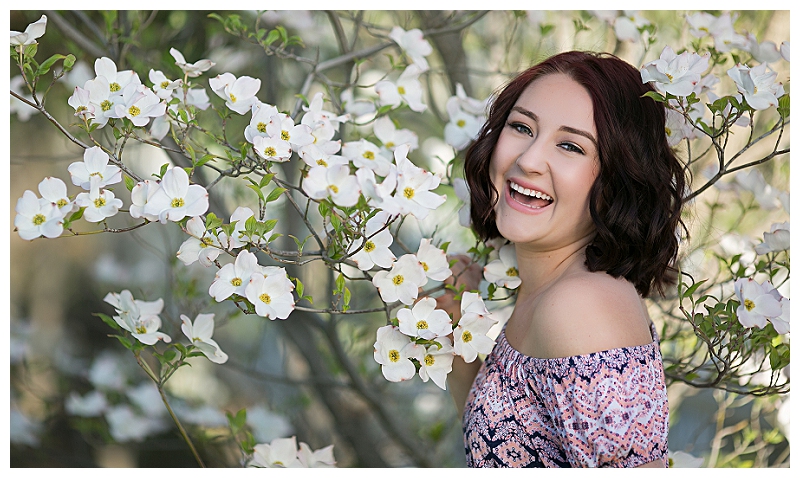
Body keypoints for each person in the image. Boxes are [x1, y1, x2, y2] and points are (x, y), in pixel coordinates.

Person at [437, 51, 687, 468]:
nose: (529, 160)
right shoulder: (554, 290)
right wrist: (455, 330)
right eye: (521, 127)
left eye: (570, 146)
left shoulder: (579, 309)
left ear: (617, 178)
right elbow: (508, 445)